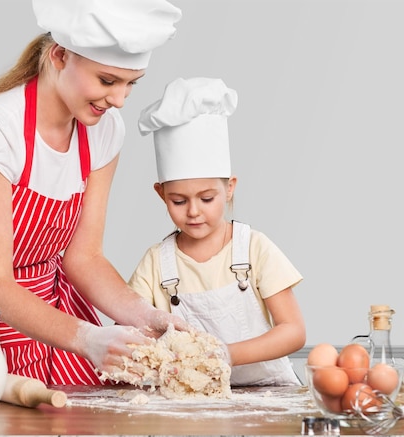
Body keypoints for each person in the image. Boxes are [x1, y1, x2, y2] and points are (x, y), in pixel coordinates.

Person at [0, 0, 190, 387]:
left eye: (131, 83)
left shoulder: (104, 130)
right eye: (107, 81)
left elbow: (84, 257)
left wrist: (148, 316)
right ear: (59, 55)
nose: (119, 100)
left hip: (53, 309)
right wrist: (89, 339)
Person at [130, 77, 307, 386]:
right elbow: (129, 330)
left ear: (229, 188)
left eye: (207, 198)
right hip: (191, 396)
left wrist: (226, 353)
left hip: (269, 393)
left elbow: (293, 331)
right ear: (161, 194)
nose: (194, 211)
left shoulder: (254, 248)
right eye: (179, 200)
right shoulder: (156, 263)